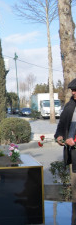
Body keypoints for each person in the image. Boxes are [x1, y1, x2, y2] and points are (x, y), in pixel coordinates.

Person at [55, 78, 76, 216]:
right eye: (73, 90)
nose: (73, 92)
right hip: (73, 156)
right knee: (75, 193)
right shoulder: (70, 106)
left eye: (75, 90)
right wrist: (59, 136)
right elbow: (62, 125)